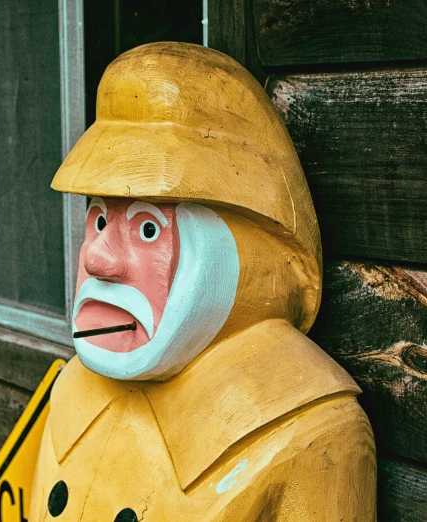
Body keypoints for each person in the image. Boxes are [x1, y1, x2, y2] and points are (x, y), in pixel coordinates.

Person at [29, 42, 376, 522]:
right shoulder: (72, 390)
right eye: (100, 220)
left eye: (149, 229)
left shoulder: (312, 430)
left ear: (245, 245)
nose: (97, 257)